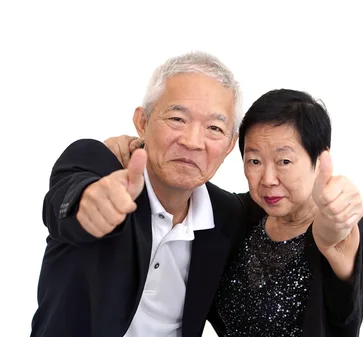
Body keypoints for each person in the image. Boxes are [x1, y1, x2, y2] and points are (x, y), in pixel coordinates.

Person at [108, 89, 363, 337]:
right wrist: (136, 148)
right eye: (255, 161)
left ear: (319, 160)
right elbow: (184, 182)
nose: (268, 178)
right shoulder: (241, 215)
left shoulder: (351, 231)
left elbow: (332, 233)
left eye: (284, 161)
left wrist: (337, 214)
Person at [31, 51, 248, 337]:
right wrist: (87, 203)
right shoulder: (100, 165)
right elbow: (66, 198)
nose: (193, 141)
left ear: (231, 145)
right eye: (177, 118)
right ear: (142, 122)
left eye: (214, 128)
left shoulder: (228, 215)